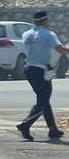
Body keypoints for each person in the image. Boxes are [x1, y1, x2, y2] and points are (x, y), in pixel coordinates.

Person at [17, 11, 69, 141]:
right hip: (41, 71)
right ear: (45, 20)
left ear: (34, 21)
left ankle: (53, 130)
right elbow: (60, 50)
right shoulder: (49, 34)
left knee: (43, 99)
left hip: (29, 69)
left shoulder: (26, 34)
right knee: (43, 100)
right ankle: (25, 124)